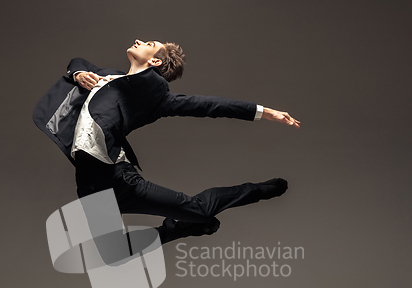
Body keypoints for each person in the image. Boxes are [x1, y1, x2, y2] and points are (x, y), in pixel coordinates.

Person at [33, 39, 300, 244]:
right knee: (110, 255)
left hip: (118, 178)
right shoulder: (106, 77)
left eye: (149, 44)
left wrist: (265, 112)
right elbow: (77, 60)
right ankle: (174, 230)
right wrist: (79, 74)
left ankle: (261, 190)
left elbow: (209, 105)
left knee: (198, 210)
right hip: (89, 184)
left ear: (155, 63)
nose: (139, 40)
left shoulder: (155, 96)